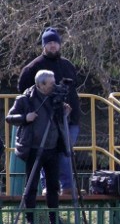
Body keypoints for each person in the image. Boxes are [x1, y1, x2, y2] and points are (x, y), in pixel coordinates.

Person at [18, 28, 81, 195]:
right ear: (44, 45)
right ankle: (48, 187)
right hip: (45, 120)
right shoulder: (33, 67)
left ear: (60, 44)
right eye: (49, 43)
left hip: (70, 118)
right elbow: (24, 92)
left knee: (66, 151)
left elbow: (74, 89)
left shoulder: (67, 65)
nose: (53, 46)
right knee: (46, 152)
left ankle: (67, 186)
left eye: (55, 42)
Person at [5, 70, 71, 224]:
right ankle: (30, 221)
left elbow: (58, 121)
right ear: (40, 85)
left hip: (52, 148)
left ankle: (54, 221)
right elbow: (9, 118)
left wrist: (65, 113)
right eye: (51, 83)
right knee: (31, 186)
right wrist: (25, 118)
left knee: (53, 186)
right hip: (34, 149)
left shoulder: (55, 98)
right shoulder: (25, 99)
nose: (54, 86)